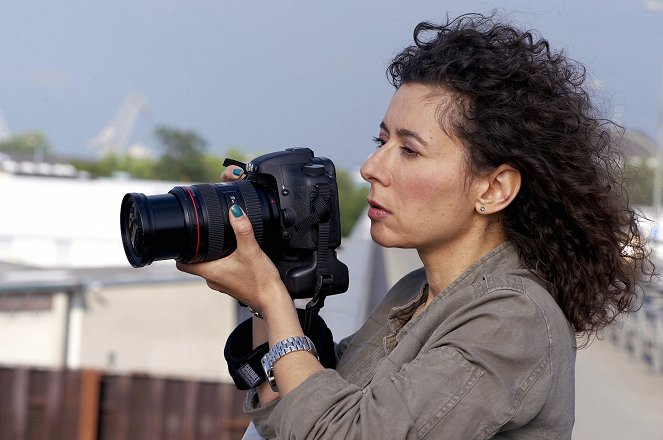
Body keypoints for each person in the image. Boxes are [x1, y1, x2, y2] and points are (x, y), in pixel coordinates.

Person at [177, 13, 653, 439]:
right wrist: (269, 278)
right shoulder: (414, 293)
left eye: (409, 150)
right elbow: (300, 412)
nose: (370, 167)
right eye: (380, 141)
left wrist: (270, 296)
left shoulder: (513, 319)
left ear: (493, 189)